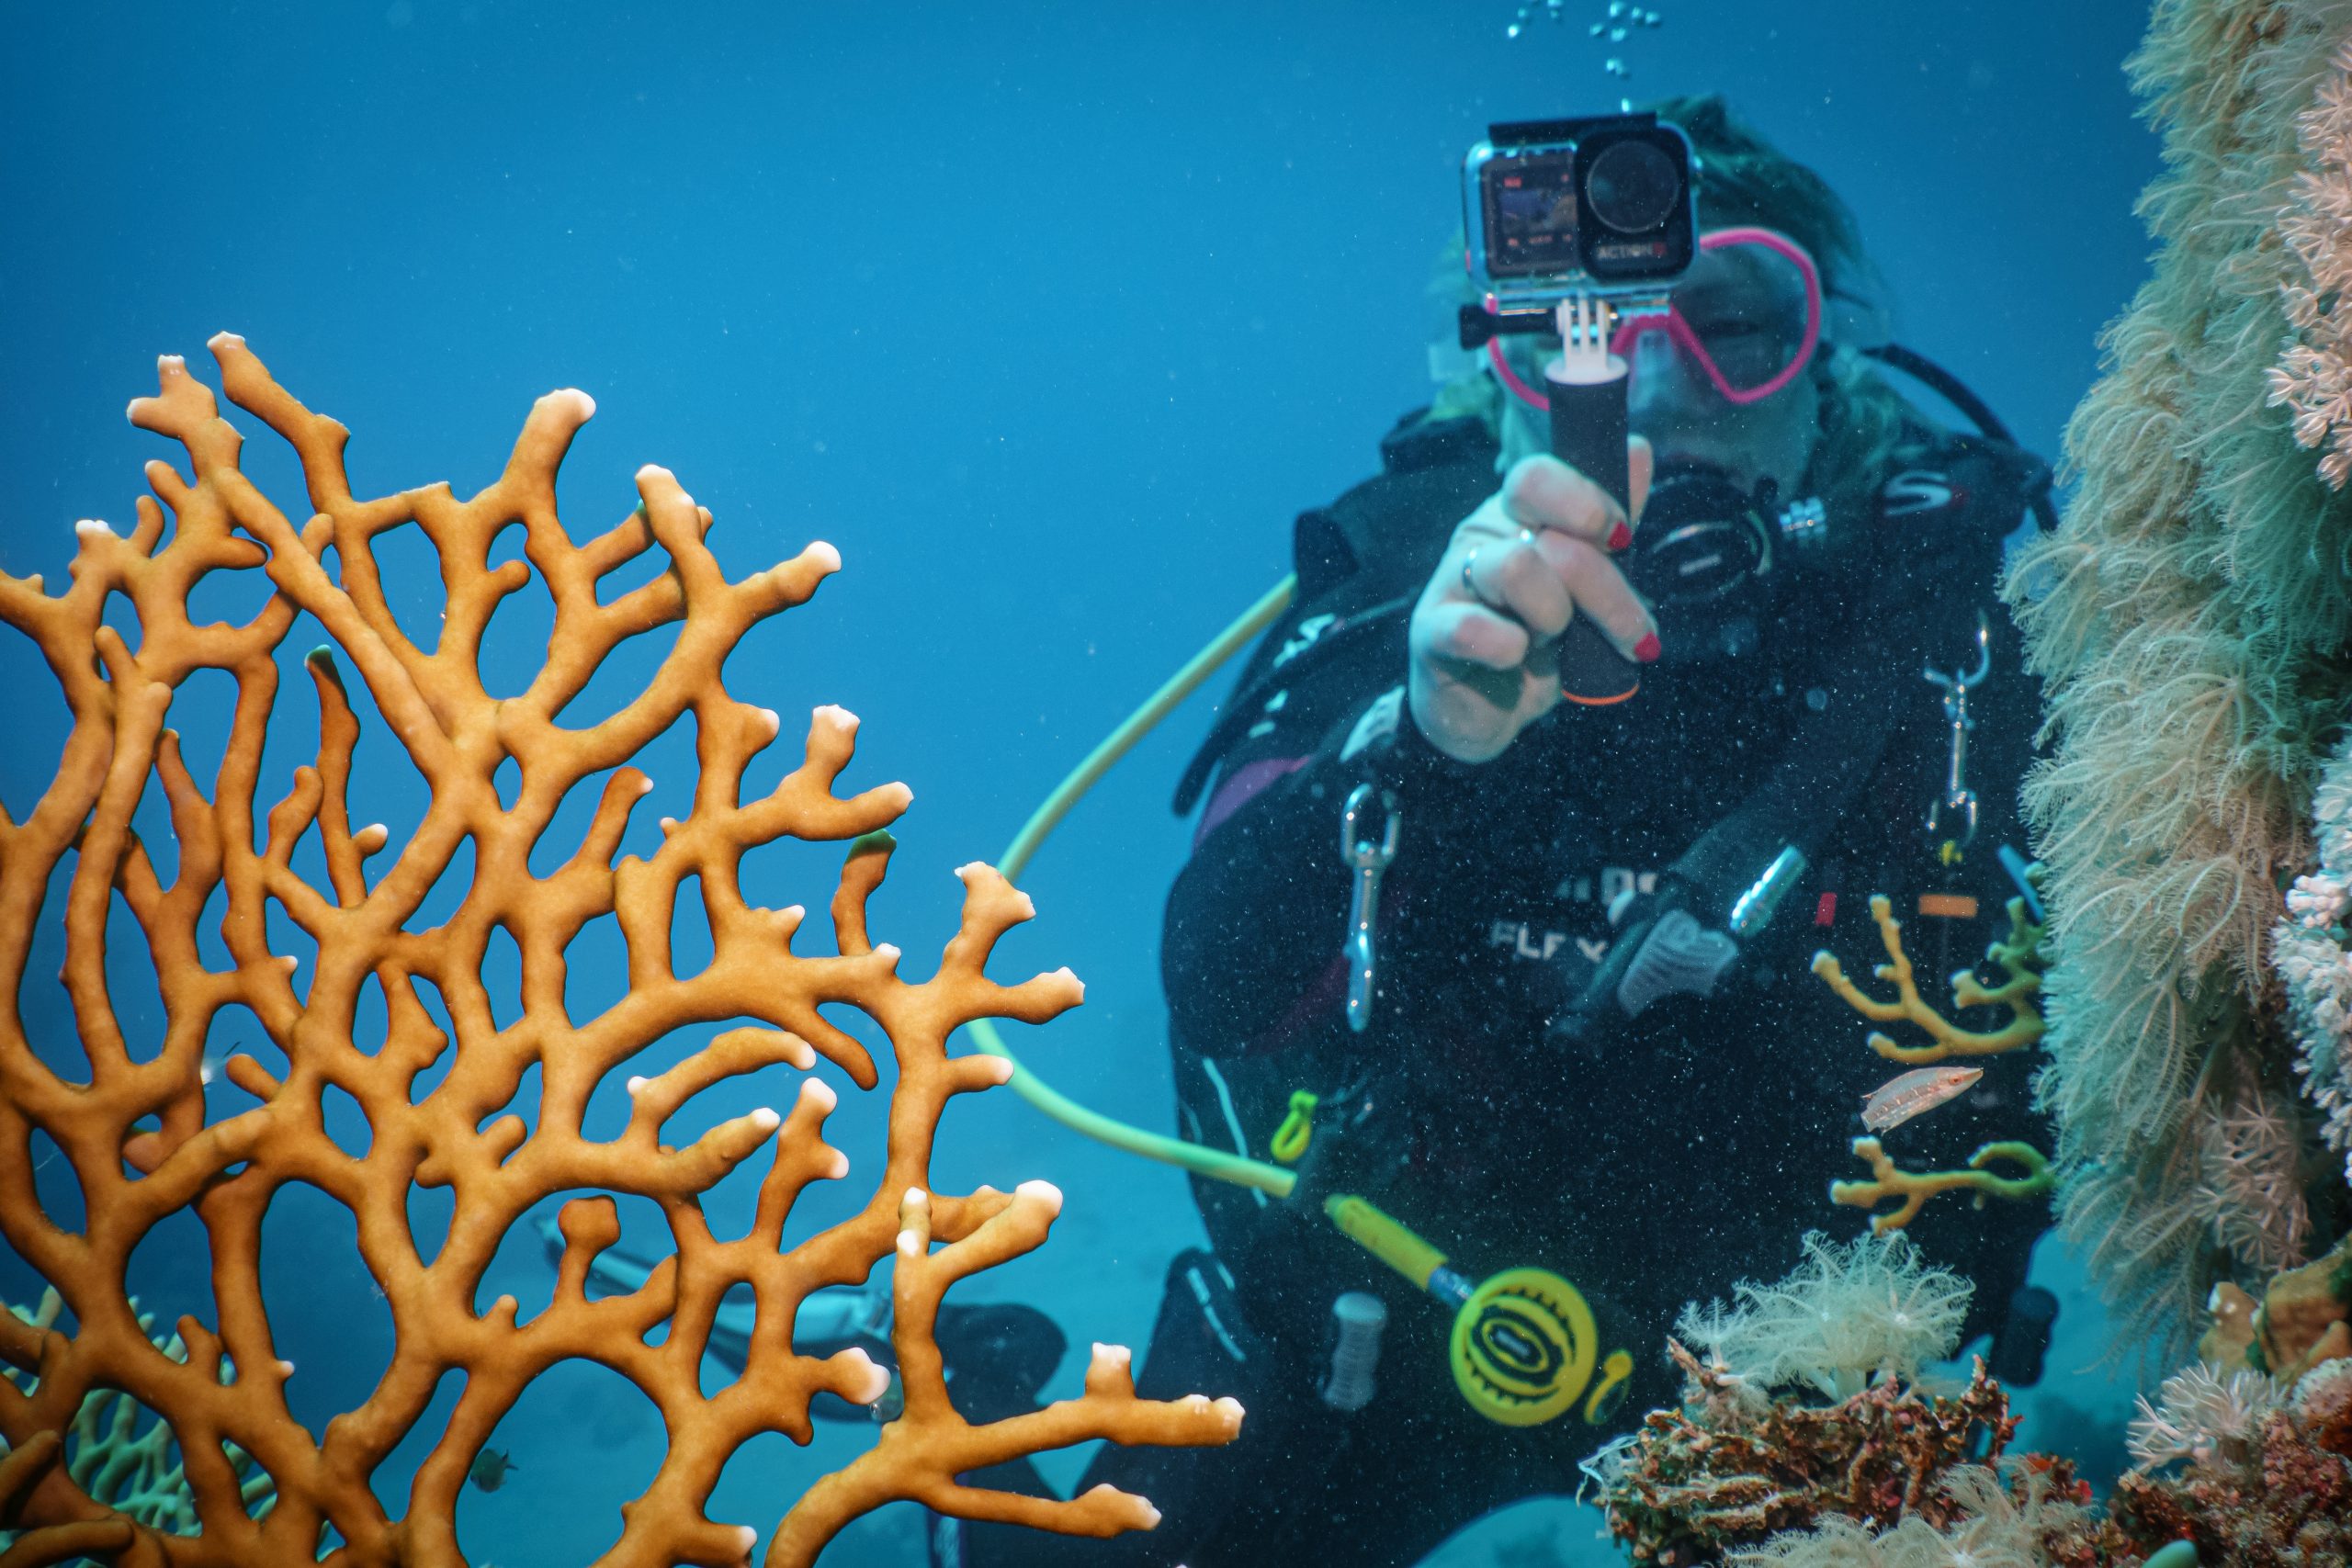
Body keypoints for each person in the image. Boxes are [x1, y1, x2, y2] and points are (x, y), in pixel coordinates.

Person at [954, 94, 2055, 1568]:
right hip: (1379, 1368)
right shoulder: (1407, 585)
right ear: (1499, 371)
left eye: (1736, 325)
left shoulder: (1943, 626)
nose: (1659, 397)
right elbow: (1221, 978)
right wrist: (1422, 738)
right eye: (1586, 336)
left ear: (1829, 358)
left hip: (1833, 1413)